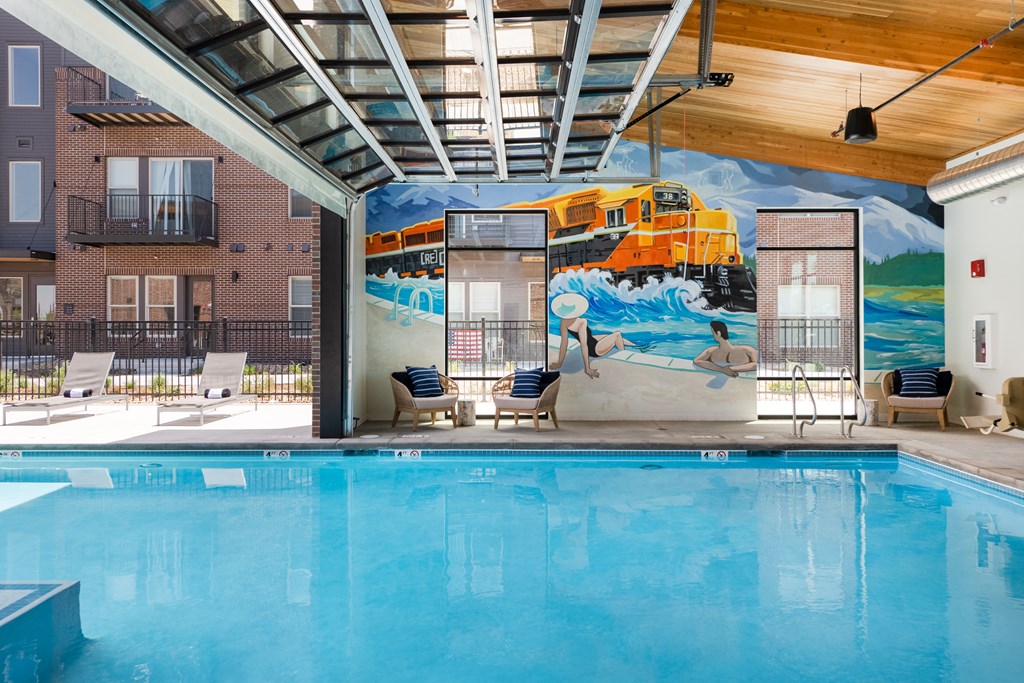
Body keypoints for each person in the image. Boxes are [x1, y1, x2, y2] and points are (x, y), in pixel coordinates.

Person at [549, 293, 635, 379]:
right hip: (595, 350)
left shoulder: (564, 322)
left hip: (592, 342)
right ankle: (623, 351)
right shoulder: (582, 322)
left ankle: (635, 345)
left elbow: (564, 344)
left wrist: (559, 363)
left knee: (607, 336)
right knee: (617, 334)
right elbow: (584, 345)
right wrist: (587, 368)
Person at [693, 321, 758, 377]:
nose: (713, 336)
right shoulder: (747, 349)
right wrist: (723, 369)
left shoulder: (711, 351)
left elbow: (756, 365)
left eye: (713, 333)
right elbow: (697, 361)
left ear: (718, 333)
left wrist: (726, 369)